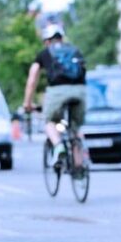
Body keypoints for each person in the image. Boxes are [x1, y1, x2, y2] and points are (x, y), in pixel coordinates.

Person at [24, 24, 87, 169]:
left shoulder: (45, 53)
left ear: (47, 40)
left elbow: (33, 78)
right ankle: (79, 166)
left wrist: (28, 103)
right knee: (75, 127)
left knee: (49, 121)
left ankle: (58, 147)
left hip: (57, 91)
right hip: (80, 91)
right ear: (62, 38)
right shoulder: (75, 51)